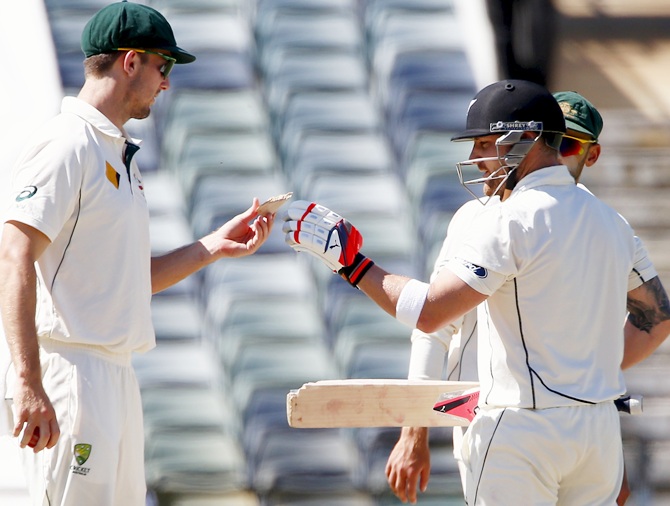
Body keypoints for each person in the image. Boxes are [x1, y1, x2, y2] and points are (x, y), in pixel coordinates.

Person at [283, 79, 670, 504]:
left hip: (521, 430)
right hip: (595, 432)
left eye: (484, 143)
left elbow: (431, 315)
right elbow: (657, 317)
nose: (475, 159)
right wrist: (585, 378)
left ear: (527, 138)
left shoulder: (506, 219)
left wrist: (351, 263)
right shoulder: (611, 221)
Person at [0, 2, 274, 505]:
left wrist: (213, 245)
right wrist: (29, 381)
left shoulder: (115, 152)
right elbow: (12, 255)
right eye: (162, 65)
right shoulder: (69, 143)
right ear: (130, 62)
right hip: (69, 372)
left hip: (112, 373)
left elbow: (125, 279)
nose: (166, 81)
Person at [384, 90, 635, 505]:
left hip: (544, 431)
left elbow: (648, 320)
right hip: (493, 419)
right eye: (560, 141)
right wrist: (415, 432)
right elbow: (435, 329)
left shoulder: (601, 222)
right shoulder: (481, 217)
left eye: (570, 144)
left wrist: (595, 415)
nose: (562, 156)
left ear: (591, 155)